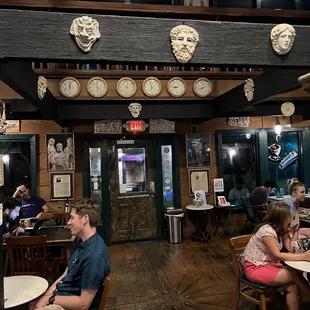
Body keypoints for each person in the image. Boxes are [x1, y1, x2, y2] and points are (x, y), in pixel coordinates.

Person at [29, 198, 111, 310]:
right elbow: (66, 274)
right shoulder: (80, 241)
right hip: (60, 297)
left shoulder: (94, 256)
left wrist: (50, 300)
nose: (68, 222)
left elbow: (83, 304)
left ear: (85, 219)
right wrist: (46, 296)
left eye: (72, 217)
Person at [240, 202, 310, 310]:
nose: (290, 221)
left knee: (293, 286)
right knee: (295, 274)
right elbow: (277, 255)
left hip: (268, 264)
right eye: (289, 218)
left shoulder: (281, 230)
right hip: (255, 268)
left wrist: (296, 229)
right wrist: (304, 256)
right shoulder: (266, 230)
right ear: (280, 219)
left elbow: (291, 248)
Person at [283, 180, 310, 252]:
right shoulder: (287, 204)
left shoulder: (296, 203)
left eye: (305, 192)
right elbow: (291, 223)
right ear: (294, 193)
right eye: (302, 192)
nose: (305, 194)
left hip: (292, 229)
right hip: (285, 231)